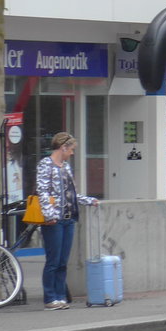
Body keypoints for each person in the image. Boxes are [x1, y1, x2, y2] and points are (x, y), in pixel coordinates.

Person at [36, 132, 98, 310]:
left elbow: (72, 193)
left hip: (68, 218)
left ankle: (60, 296)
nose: (72, 153)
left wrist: (88, 200)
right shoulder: (45, 165)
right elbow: (43, 192)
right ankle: (50, 298)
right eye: (70, 149)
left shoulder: (65, 167)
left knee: (63, 261)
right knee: (53, 261)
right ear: (63, 148)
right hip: (53, 221)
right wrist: (50, 215)